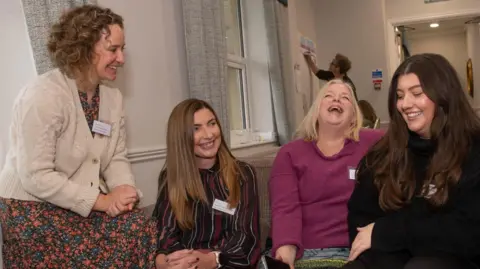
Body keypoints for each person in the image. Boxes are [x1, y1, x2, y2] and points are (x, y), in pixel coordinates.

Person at [0, 5, 157, 268]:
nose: (121, 58)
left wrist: (122, 190)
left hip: (78, 200)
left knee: (140, 226)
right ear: (83, 49)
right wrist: (102, 202)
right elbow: (35, 176)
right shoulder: (43, 95)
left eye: (122, 49)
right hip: (31, 206)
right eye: (113, 49)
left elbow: (115, 157)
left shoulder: (112, 99)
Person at [345, 53, 480, 269]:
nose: (405, 104)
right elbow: (361, 224)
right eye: (399, 96)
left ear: (444, 95)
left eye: (417, 93)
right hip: (392, 256)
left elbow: (468, 233)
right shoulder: (384, 153)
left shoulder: (473, 150)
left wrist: (391, 232)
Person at [269, 79, 383, 269]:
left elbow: (408, 137)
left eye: (345, 98)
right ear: (316, 110)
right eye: (328, 96)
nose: (336, 100)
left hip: (357, 252)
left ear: (354, 115)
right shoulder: (290, 153)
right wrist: (286, 248)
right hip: (305, 252)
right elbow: (285, 207)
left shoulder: (373, 143)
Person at [153, 99, 261, 269]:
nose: (209, 134)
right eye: (196, 129)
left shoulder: (242, 173)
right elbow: (166, 233)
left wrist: (212, 260)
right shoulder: (170, 177)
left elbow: (246, 239)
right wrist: (172, 261)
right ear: (181, 137)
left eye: (212, 124)